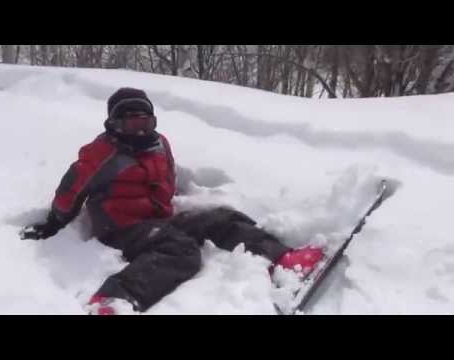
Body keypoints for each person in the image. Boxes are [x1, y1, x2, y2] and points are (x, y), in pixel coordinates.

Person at [21, 87, 324, 315]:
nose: (140, 129)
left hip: (159, 219)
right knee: (181, 250)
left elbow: (166, 179)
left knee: (222, 217)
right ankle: (114, 300)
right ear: (113, 124)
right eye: (130, 123)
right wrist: (54, 221)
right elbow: (71, 189)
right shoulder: (100, 153)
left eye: (146, 121)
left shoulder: (159, 143)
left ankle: (283, 258)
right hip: (121, 227)